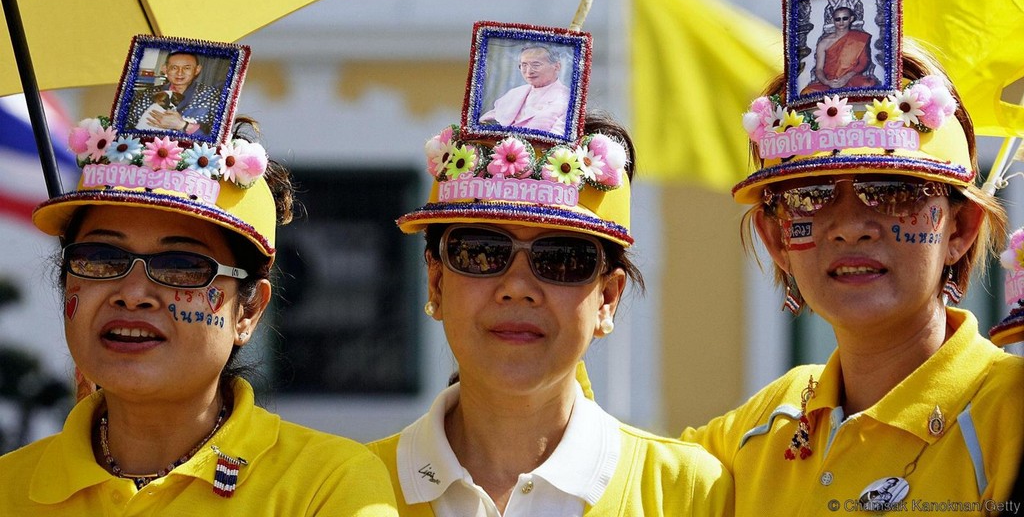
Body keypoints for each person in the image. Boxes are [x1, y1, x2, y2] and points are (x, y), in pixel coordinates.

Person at [0, 97, 398, 513]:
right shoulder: (8, 489)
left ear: (248, 312)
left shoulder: (328, 486)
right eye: (101, 258)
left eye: (181, 266)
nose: (132, 293)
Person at [681, 38, 1024, 514]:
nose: (849, 227)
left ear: (960, 228)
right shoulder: (763, 427)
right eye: (810, 195)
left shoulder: (1010, 412)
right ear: (777, 238)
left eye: (891, 190)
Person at [368, 113, 733, 516]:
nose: (517, 287)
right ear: (436, 283)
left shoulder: (688, 493)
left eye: (562, 258)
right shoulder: (349, 489)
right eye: (480, 251)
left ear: (607, 298)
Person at [479, 45, 570, 135]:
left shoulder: (568, 99)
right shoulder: (514, 93)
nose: (529, 71)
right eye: (524, 65)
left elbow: (558, 140)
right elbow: (486, 121)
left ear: (557, 66)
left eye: (536, 65)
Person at [127, 50, 219, 134]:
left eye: (187, 68)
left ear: (197, 70)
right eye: (174, 68)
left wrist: (183, 125)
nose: (180, 73)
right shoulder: (147, 94)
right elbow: (127, 126)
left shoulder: (211, 95)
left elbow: (218, 135)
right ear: (165, 69)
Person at [800, 6, 880, 95]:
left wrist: (846, 77)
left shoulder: (859, 38)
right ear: (833, 20)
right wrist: (827, 82)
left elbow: (863, 63)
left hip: (851, 79)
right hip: (830, 81)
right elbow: (819, 69)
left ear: (851, 19)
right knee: (806, 93)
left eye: (845, 18)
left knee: (868, 85)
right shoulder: (824, 43)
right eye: (837, 19)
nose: (841, 22)